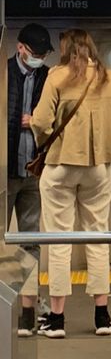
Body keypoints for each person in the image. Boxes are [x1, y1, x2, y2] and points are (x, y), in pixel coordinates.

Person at [31, 29, 111, 339]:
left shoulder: (57, 76)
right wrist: (103, 146)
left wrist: (47, 143)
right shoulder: (109, 77)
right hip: (98, 169)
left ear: (65, 49)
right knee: (98, 237)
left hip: (60, 166)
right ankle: (102, 316)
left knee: (59, 242)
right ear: (90, 48)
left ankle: (57, 320)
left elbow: (40, 122)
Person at [8, 23, 54, 337]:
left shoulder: (47, 76)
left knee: (30, 242)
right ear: (20, 48)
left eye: (42, 54)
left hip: (34, 170)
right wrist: (20, 121)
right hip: (5, 168)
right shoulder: (5, 73)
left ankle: (28, 307)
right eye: (35, 53)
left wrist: (35, 122)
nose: (38, 58)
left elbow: (52, 117)